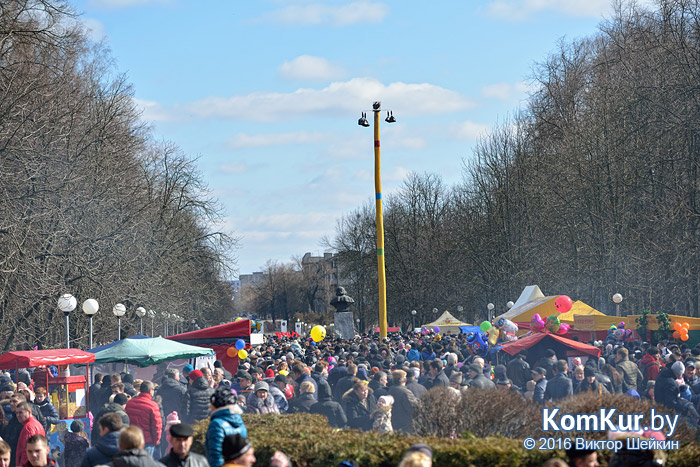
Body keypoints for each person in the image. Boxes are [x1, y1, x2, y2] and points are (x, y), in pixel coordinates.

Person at [206, 387, 247, 467]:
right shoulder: (240, 421)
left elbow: (216, 454)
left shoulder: (216, 424)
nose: (209, 407)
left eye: (211, 404)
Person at [125, 382, 163, 456]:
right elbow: (157, 426)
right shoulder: (153, 405)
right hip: (146, 442)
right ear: (150, 390)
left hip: (132, 440)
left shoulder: (129, 403)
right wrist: (156, 441)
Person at [388, 370, 419, 434]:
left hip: (394, 423)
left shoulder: (391, 390)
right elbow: (414, 407)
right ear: (405, 379)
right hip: (405, 425)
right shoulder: (405, 392)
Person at [15, 402, 45, 467]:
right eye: (16, 413)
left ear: (29, 412)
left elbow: (27, 451)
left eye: (20, 412)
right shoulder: (34, 424)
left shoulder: (28, 427)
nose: (18, 415)